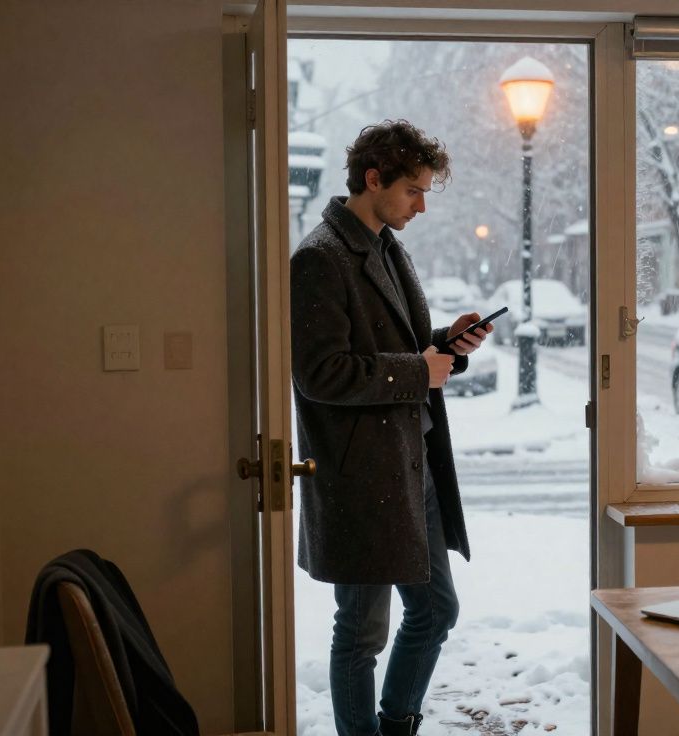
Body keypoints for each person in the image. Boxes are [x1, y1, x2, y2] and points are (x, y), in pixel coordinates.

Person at [289, 120, 492, 736]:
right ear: (373, 179)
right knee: (360, 633)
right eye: (413, 191)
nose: (422, 205)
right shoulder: (319, 257)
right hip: (363, 478)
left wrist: (444, 345)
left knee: (436, 611)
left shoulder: (383, 245)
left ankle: (396, 722)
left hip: (412, 466)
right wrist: (416, 372)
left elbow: (392, 347)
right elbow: (319, 374)